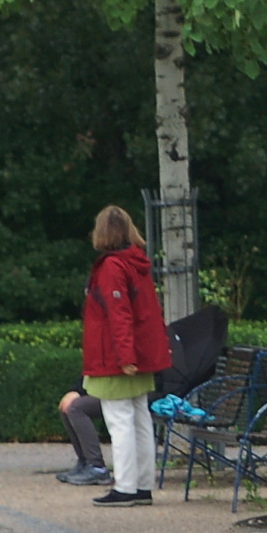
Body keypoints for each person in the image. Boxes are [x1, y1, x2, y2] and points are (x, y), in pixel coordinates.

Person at [81, 205, 171, 507]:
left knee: (119, 422)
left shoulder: (111, 267)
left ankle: (125, 487)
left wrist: (124, 355)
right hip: (140, 354)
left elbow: (118, 314)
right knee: (140, 419)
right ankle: (142, 485)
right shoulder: (137, 262)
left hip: (116, 357)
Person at [53, 388, 114, 485]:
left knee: (76, 408)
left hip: (120, 392)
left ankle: (97, 467)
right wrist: (76, 391)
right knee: (67, 404)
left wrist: (79, 392)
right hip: (108, 389)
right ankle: (85, 462)